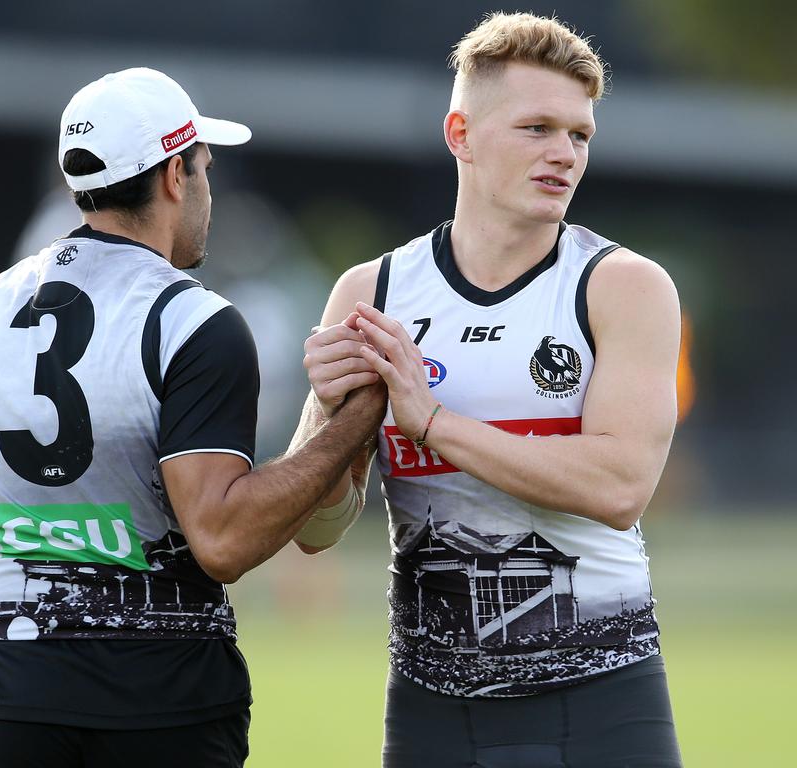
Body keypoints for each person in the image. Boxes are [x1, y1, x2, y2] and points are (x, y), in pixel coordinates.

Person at [0, 67, 385, 768]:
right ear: (175, 176)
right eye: (204, 165)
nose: (208, 187)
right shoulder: (195, 321)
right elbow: (223, 541)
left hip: (12, 705)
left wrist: (30, 616)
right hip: (168, 707)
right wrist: (356, 420)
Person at [292, 13, 684, 767]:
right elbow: (317, 530)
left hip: (603, 701)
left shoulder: (623, 286)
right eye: (536, 128)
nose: (564, 155)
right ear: (460, 134)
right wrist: (325, 417)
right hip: (432, 714)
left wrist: (433, 421)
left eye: (580, 135)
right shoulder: (372, 292)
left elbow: (619, 487)